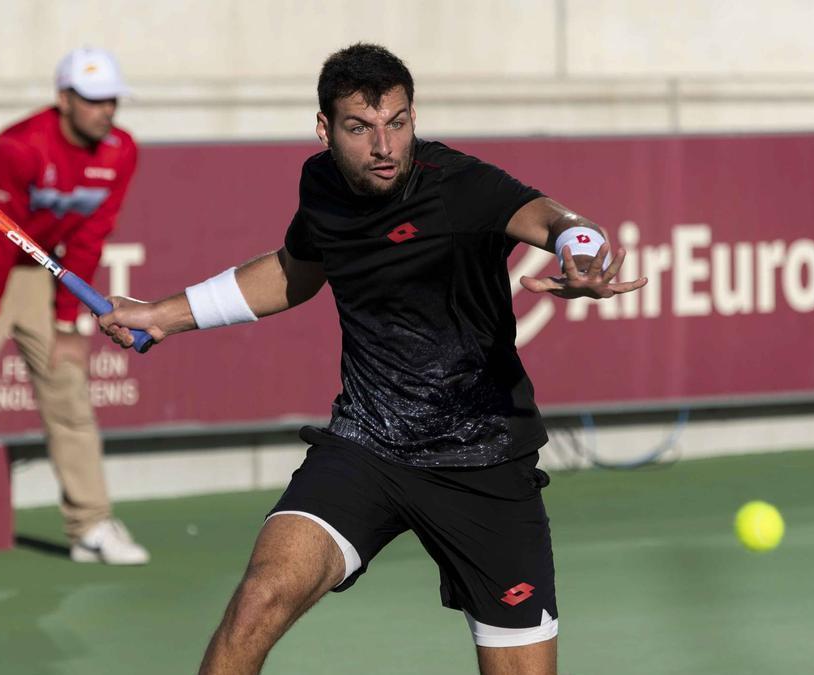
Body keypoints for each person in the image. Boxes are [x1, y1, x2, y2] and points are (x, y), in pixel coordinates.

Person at [98, 43, 647, 674]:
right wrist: (162, 316)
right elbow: (294, 273)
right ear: (325, 130)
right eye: (361, 128)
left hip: (484, 460)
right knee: (257, 602)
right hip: (368, 448)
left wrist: (580, 248)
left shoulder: (458, 187)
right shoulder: (322, 186)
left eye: (398, 122)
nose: (384, 146)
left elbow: (552, 218)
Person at [0, 47, 149, 573]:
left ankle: (90, 525)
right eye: (92, 101)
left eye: (111, 100)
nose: (105, 111)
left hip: (38, 268)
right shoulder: (16, 149)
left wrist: (69, 321)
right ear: (63, 99)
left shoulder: (121, 151)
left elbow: (91, 236)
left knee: (67, 382)